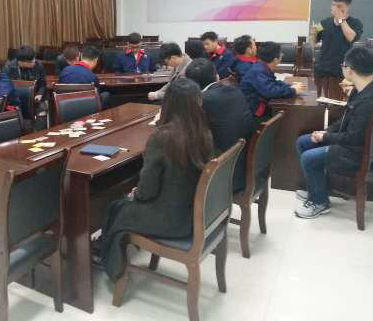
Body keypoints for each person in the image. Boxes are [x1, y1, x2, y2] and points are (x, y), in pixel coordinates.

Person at [99, 78, 213, 281]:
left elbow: (147, 191)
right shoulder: (204, 132)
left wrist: (135, 194)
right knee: (119, 206)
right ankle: (106, 252)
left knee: (115, 207)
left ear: (167, 104)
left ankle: (113, 267)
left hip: (170, 220)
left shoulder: (161, 137)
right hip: (194, 213)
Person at [294, 47, 373, 219]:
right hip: (365, 145)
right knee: (304, 141)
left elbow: (353, 138)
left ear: (350, 70)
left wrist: (325, 136)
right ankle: (317, 189)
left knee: (308, 158)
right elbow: (347, 121)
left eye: (343, 65)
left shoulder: (368, 102)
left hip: (363, 153)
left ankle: (319, 202)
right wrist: (325, 132)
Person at [185, 58, 255, 193]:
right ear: (217, 76)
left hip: (221, 177)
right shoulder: (235, 90)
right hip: (244, 169)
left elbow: (186, 132)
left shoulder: (202, 101)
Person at [311, 0, 363, 98]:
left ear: (347, 7)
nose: (335, 8)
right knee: (319, 100)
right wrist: (312, 34)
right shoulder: (324, 22)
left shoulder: (355, 23)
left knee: (338, 101)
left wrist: (341, 19)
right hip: (322, 70)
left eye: (339, 6)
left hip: (341, 72)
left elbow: (351, 37)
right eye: (333, 5)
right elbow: (313, 42)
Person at [240, 42, 303, 118]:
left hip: (261, 107)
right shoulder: (258, 71)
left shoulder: (261, 66)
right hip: (255, 114)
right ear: (275, 59)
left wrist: (290, 86)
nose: (282, 55)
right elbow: (270, 91)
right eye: (281, 53)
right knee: (290, 115)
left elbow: (272, 83)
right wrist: (293, 90)